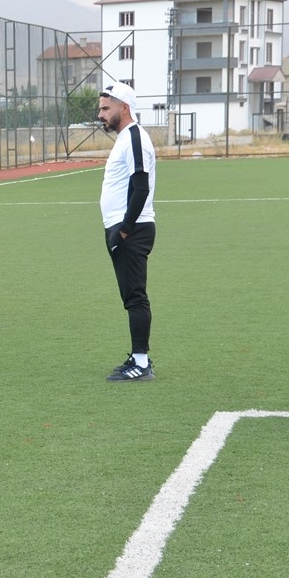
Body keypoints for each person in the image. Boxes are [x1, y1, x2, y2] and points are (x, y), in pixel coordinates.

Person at [97, 82, 157, 382]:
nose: (101, 114)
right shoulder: (124, 138)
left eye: (106, 108)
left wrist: (124, 230)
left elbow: (141, 186)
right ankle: (137, 356)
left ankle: (142, 363)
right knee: (130, 296)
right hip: (124, 228)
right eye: (100, 108)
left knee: (135, 296)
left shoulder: (135, 137)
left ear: (125, 107)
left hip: (132, 230)